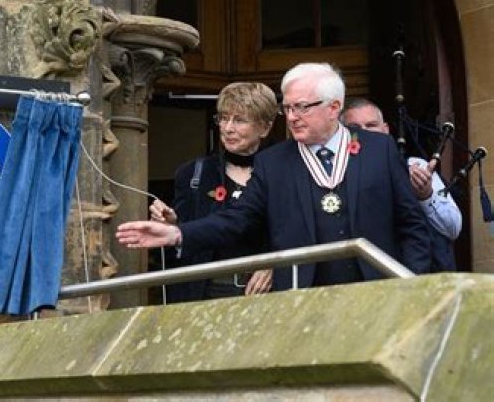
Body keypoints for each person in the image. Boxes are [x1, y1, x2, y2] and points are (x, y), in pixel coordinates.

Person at [117, 62, 431, 290]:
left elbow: (412, 224)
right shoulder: (274, 162)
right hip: (302, 299)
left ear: (334, 107)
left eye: (302, 107)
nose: (292, 117)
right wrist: (178, 234)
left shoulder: (380, 150)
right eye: (288, 108)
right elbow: (237, 219)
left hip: (378, 291)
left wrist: (410, 283)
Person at [149, 82, 278, 302]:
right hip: (206, 292)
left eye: (239, 120)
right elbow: (182, 244)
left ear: (265, 128)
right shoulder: (193, 174)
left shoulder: (282, 172)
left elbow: (296, 232)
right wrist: (172, 224)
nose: (228, 128)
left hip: (266, 294)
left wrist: (275, 264)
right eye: (224, 118)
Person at [341, 97, 461, 271]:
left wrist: (425, 196)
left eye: (371, 125)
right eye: (355, 128)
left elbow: (452, 228)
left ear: (385, 130)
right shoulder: (336, 175)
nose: (365, 133)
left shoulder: (417, 166)